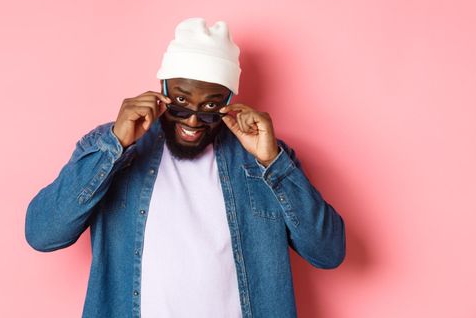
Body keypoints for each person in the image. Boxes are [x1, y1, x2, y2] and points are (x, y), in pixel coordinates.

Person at [25, 17, 346, 318]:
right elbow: (43, 234)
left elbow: (328, 253)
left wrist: (272, 163)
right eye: (180, 102)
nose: (193, 120)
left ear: (229, 99)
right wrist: (113, 148)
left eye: (209, 106)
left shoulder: (262, 156)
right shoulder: (113, 146)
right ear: (162, 88)